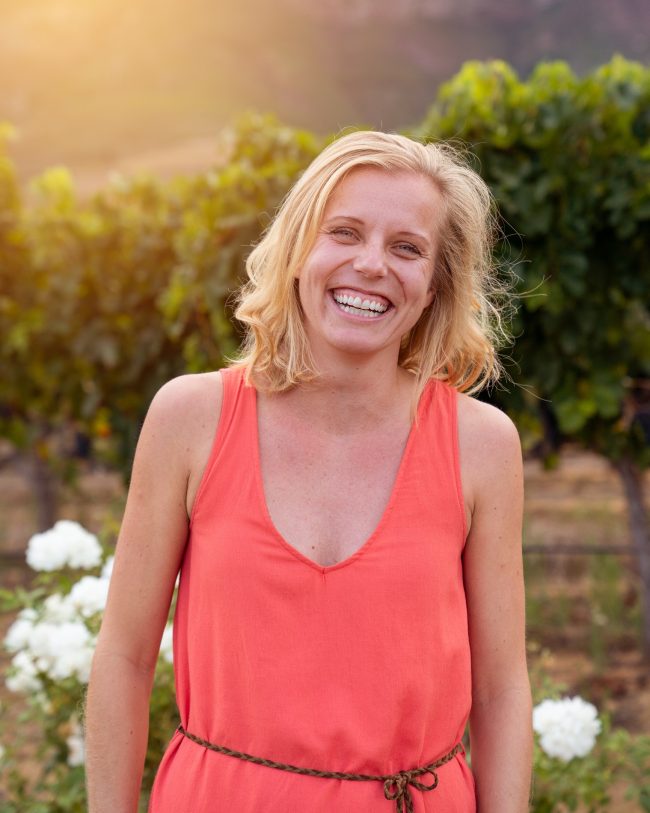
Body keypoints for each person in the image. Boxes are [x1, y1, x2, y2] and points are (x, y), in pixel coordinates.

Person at [85, 130, 532, 812]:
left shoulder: (483, 446)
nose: (371, 264)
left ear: (435, 285)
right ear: (297, 252)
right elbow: (124, 655)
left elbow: (500, 690)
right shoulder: (190, 418)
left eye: (407, 247)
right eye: (344, 232)